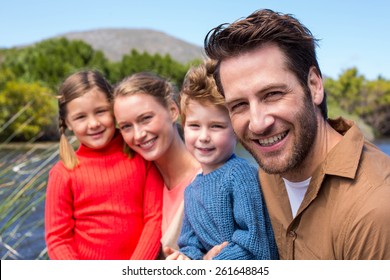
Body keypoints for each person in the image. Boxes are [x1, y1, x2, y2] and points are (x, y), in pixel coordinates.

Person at [204, 9, 390, 259]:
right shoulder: (265, 174)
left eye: (272, 94)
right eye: (239, 105)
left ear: (314, 86)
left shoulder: (374, 209)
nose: (258, 124)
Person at [164, 59, 278, 260]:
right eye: (194, 126)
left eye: (216, 126)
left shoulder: (239, 174)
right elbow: (191, 243)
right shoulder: (192, 189)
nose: (204, 136)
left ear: (236, 129)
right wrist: (186, 258)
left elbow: (254, 245)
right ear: (183, 126)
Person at [45, 70, 164, 260]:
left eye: (100, 111)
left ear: (114, 110)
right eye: (80, 117)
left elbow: (154, 218)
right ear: (67, 123)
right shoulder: (62, 173)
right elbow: (58, 238)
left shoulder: (141, 156)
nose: (93, 123)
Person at [112, 72, 202, 258]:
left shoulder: (207, 181)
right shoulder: (140, 183)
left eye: (145, 118)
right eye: (126, 126)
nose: (138, 135)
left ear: (172, 111)